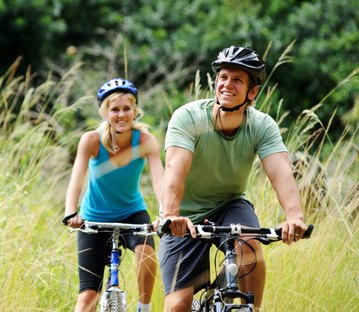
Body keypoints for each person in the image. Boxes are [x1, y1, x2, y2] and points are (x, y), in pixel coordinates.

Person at [158, 45, 307, 311]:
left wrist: (294, 217)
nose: (227, 84)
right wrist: (171, 213)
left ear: (252, 92)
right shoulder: (189, 117)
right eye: (223, 77)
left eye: (237, 79)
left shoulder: (261, 125)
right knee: (177, 305)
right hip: (183, 216)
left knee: (249, 243)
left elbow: (281, 172)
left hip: (229, 205)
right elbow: (175, 168)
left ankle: (251, 309)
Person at [63, 78, 164, 312]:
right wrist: (71, 212)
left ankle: (144, 307)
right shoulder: (91, 140)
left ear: (135, 110)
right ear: (105, 112)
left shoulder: (146, 141)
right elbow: (76, 180)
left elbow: (160, 180)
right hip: (93, 218)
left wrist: (164, 214)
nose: (121, 115)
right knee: (87, 297)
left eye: (126, 108)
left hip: (132, 213)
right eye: (114, 109)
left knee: (146, 252)